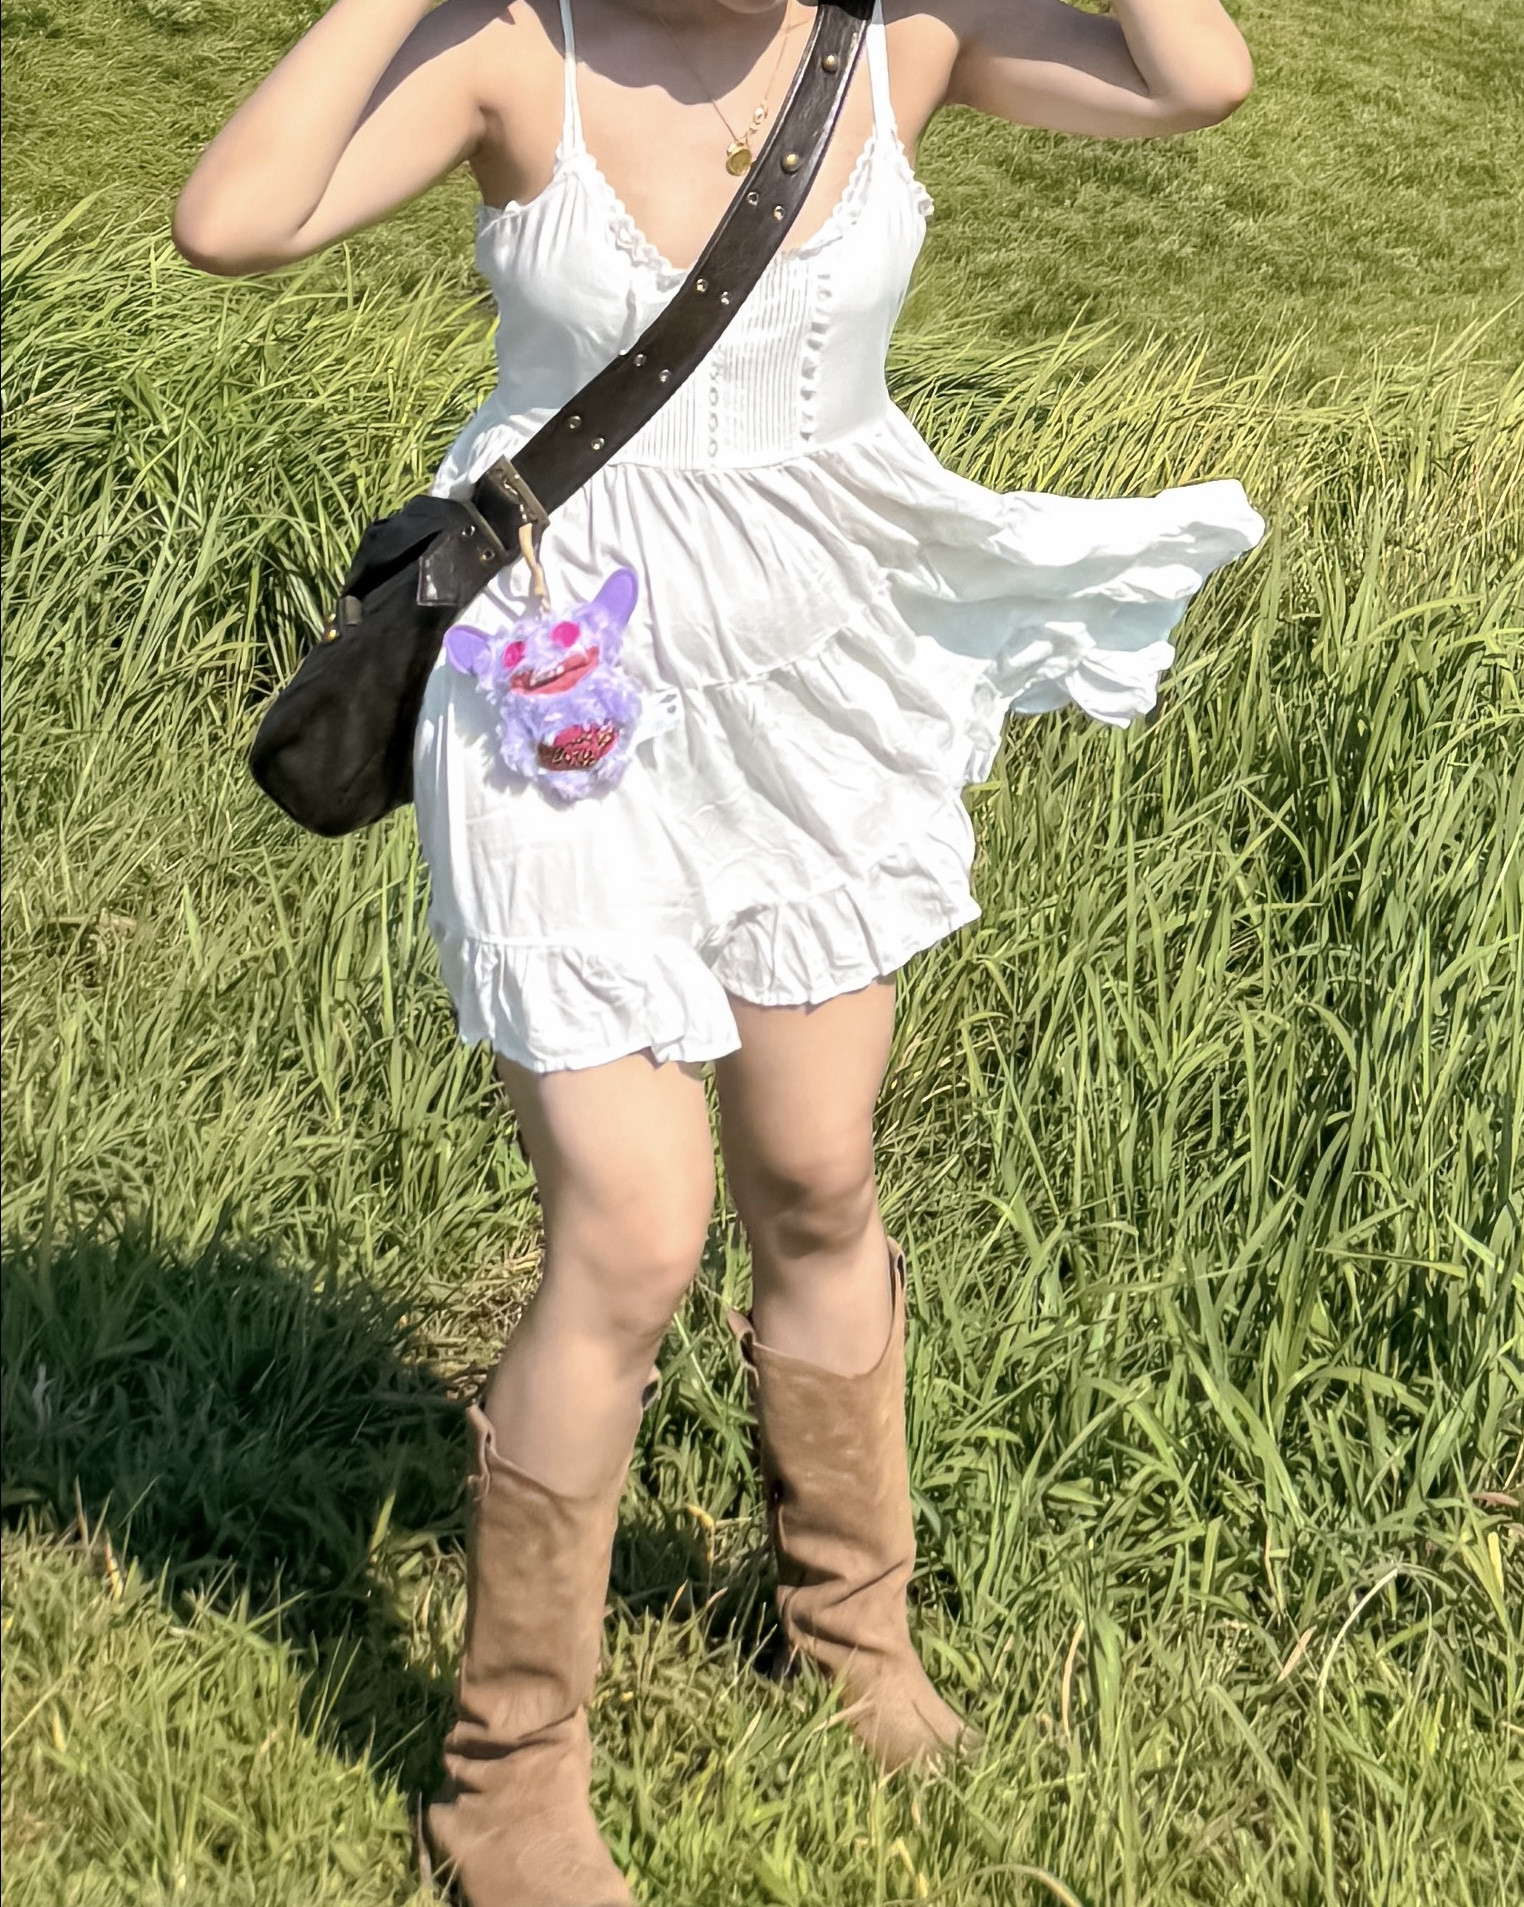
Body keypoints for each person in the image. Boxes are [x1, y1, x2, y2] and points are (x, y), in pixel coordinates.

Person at [174, 2, 1262, 1899]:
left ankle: (851, 1634)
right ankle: (510, 1777)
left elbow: (1195, 78)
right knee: (635, 1221)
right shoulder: (521, 51)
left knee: (819, 1178)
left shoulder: (900, 38)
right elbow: (232, 222)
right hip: (554, 667)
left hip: (816, 669)